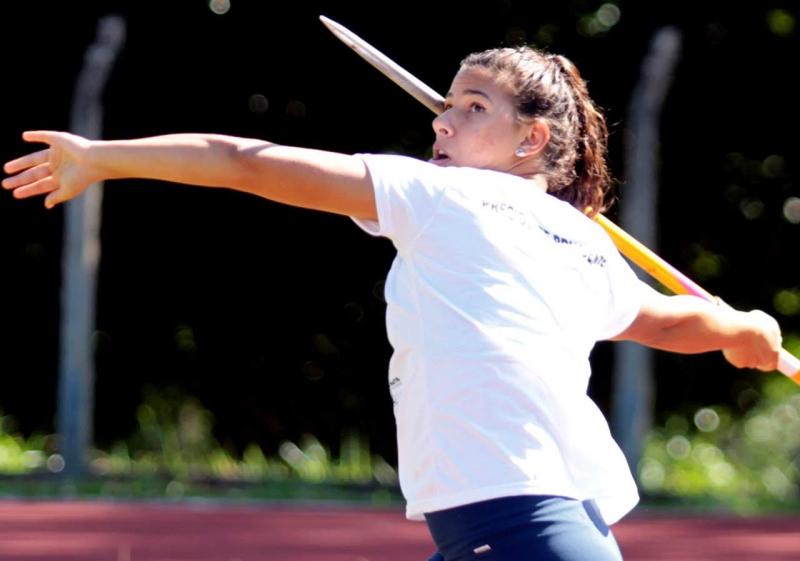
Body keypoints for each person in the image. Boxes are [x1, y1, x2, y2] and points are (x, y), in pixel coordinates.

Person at [3, 46, 782, 561]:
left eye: (472, 107)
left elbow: (245, 162)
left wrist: (741, 330)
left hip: (524, 514)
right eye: (445, 105)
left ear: (533, 141)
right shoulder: (542, 227)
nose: (441, 120)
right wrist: (745, 329)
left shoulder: (499, 214)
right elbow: (679, 321)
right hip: (532, 518)